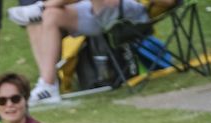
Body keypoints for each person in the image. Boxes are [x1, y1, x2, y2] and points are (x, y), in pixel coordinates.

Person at [10, 0, 157, 104]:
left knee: (48, 10)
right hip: (96, 10)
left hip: (128, 11)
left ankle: (42, 7)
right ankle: (48, 86)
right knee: (51, 15)